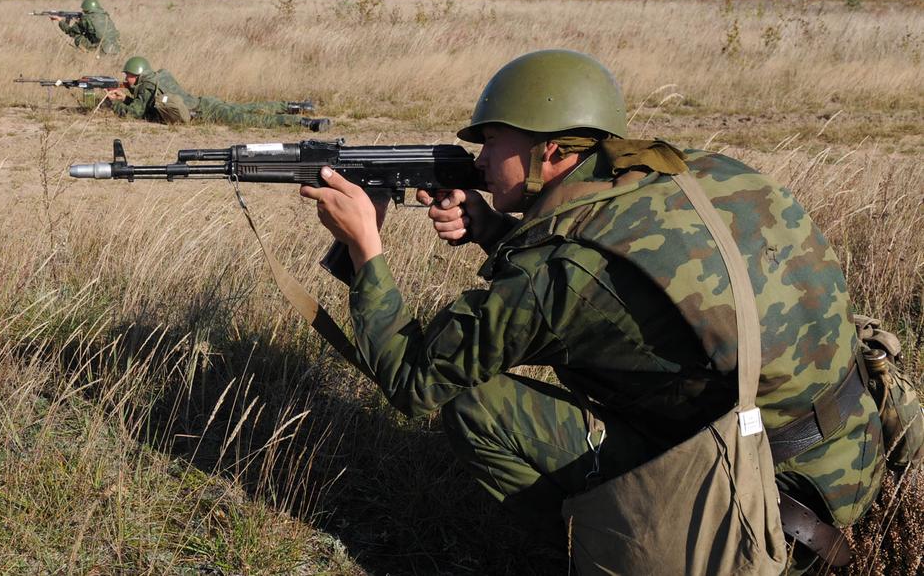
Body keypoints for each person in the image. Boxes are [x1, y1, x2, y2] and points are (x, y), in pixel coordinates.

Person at [298, 49, 884, 572]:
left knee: (471, 402)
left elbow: (412, 380)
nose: (478, 159)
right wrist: (494, 232)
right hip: (852, 456)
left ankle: (617, 553)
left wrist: (365, 248)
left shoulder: (559, 274)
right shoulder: (694, 173)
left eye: (492, 140)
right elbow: (620, 281)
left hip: (757, 521)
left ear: (548, 151)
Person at [107, 56, 331, 131]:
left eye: (128, 76)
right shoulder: (159, 76)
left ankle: (303, 123)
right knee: (249, 107)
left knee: (253, 119)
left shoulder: (147, 86)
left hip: (204, 113)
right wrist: (127, 94)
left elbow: (135, 113)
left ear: (137, 74)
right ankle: (296, 105)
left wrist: (114, 103)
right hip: (205, 102)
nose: (126, 79)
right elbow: (147, 101)